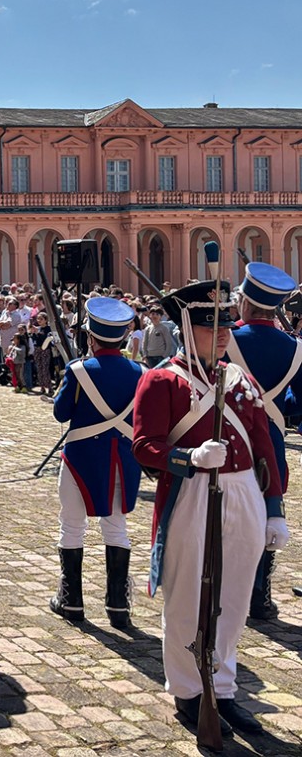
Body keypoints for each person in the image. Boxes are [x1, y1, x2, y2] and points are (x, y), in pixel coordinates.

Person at [132, 269, 286, 738]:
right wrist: (188, 457)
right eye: (209, 326)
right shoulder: (162, 381)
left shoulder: (238, 378)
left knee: (235, 597)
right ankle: (187, 689)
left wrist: (275, 505)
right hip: (192, 494)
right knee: (188, 597)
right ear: (187, 329)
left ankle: (222, 686)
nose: (221, 335)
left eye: (225, 325)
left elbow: (264, 443)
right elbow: (144, 446)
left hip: (242, 493)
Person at [48, 297, 145, 628]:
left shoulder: (78, 371)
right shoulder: (140, 372)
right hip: (122, 459)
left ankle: (71, 600)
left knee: (72, 525)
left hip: (81, 458)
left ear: (91, 337)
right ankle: (118, 604)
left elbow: (61, 413)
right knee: (116, 526)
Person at [224, 262, 301, 620]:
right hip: (271, 439)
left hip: (229, 438)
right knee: (268, 512)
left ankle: (224, 590)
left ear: (244, 301)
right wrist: (278, 406)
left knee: (223, 514)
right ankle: (259, 594)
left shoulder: (227, 340)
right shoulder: (295, 349)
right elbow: (298, 405)